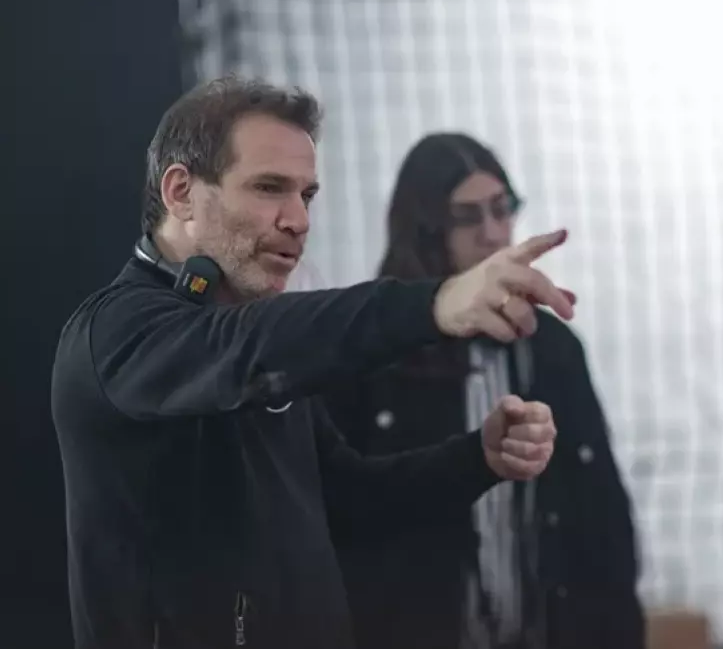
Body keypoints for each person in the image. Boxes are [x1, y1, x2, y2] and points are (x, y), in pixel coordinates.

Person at [50, 77, 578, 649]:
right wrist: (437, 302)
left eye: (306, 195)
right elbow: (242, 345)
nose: (298, 220)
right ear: (181, 193)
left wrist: (478, 458)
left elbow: (349, 500)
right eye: (269, 188)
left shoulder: (253, 333)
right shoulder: (116, 331)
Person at [323, 133, 645, 649]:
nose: (494, 234)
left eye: (502, 209)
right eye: (467, 217)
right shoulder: (374, 355)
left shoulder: (550, 347)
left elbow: (602, 517)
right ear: (426, 230)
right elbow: (343, 520)